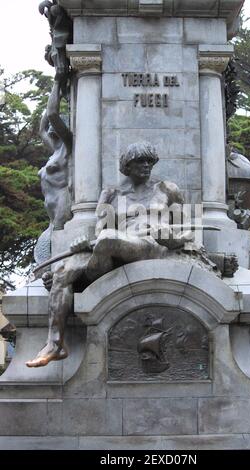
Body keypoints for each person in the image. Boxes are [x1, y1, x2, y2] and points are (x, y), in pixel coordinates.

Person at [26, 142, 192, 368]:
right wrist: (82, 242)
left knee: (107, 239)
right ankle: (55, 344)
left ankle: (82, 279)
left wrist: (172, 238)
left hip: (151, 245)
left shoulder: (166, 189)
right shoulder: (111, 194)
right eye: (140, 161)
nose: (146, 166)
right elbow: (98, 233)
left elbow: (187, 230)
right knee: (63, 271)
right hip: (113, 250)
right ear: (127, 166)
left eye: (149, 161)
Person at [39, 79, 72, 230]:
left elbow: (53, 114)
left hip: (62, 202)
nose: (53, 127)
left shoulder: (68, 146)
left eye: (58, 124)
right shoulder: (55, 150)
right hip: (51, 209)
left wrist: (58, 81)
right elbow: (42, 129)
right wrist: (57, 94)